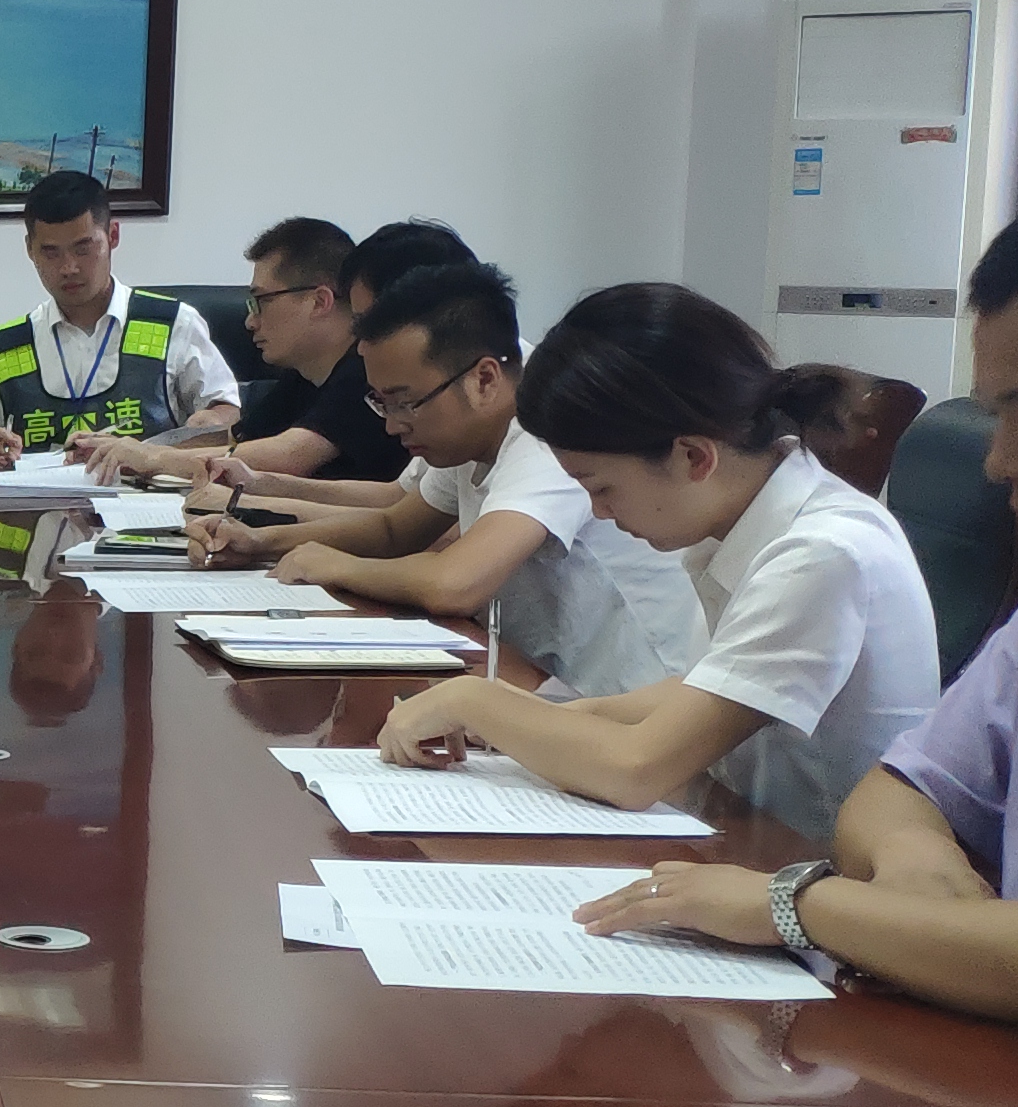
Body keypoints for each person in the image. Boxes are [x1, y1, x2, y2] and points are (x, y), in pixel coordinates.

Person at [584, 165, 1018, 1107]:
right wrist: (916, 870)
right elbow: (897, 789)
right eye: (995, 418)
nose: (1000, 462)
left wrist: (796, 904)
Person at [373, 283, 940, 833]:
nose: (598, 512)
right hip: (742, 827)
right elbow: (708, 689)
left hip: (803, 860)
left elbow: (636, 770)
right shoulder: (748, 513)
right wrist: (538, 719)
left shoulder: (821, 554)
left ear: (693, 456)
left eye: (601, 488)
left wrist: (477, 701)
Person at [192, 259, 702, 691]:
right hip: (542, 681)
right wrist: (261, 542)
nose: (392, 424)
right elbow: (394, 528)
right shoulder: (466, 438)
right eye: (381, 402)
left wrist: (334, 566)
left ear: (484, 379)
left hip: (634, 695)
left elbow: (455, 584)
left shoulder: (548, 435)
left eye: (405, 402)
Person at [77, 218, 402, 489]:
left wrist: (153, 458)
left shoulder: (368, 370)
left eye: (261, 301)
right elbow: (235, 439)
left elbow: (288, 455)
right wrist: (126, 449)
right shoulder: (303, 376)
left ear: (319, 302)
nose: (250, 321)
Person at [0, 171, 239, 468]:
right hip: (41, 496)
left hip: (145, 493)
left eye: (83, 249)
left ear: (113, 236)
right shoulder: (9, 344)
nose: (69, 268)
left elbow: (227, 411)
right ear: (30, 249)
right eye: (51, 253)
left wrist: (211, 421)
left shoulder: (173, 323)